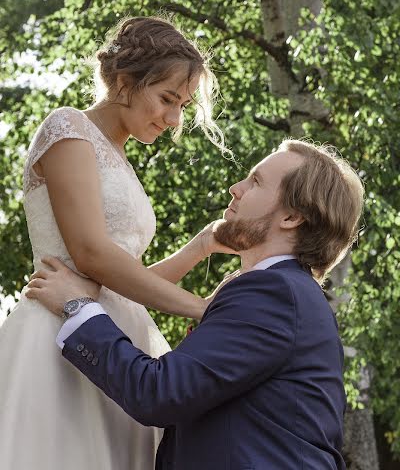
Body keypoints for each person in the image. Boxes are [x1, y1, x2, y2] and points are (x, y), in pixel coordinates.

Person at [27, 139, 364, 470]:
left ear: (291, 217)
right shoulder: (286, 291)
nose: (236, 187)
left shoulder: (275, 292)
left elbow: (158, 393)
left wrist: (78, 306)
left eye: (256, 181)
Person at [0, 16, 234, 470]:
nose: (174, 119)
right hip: (57, 339)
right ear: (124, 83)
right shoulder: (67, 129)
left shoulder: (121, 158)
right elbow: (92, 255)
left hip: (119, 344)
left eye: (183, 105)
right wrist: (204, 308)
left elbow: (125, 280)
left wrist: (199, 247)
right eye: (167, 99)